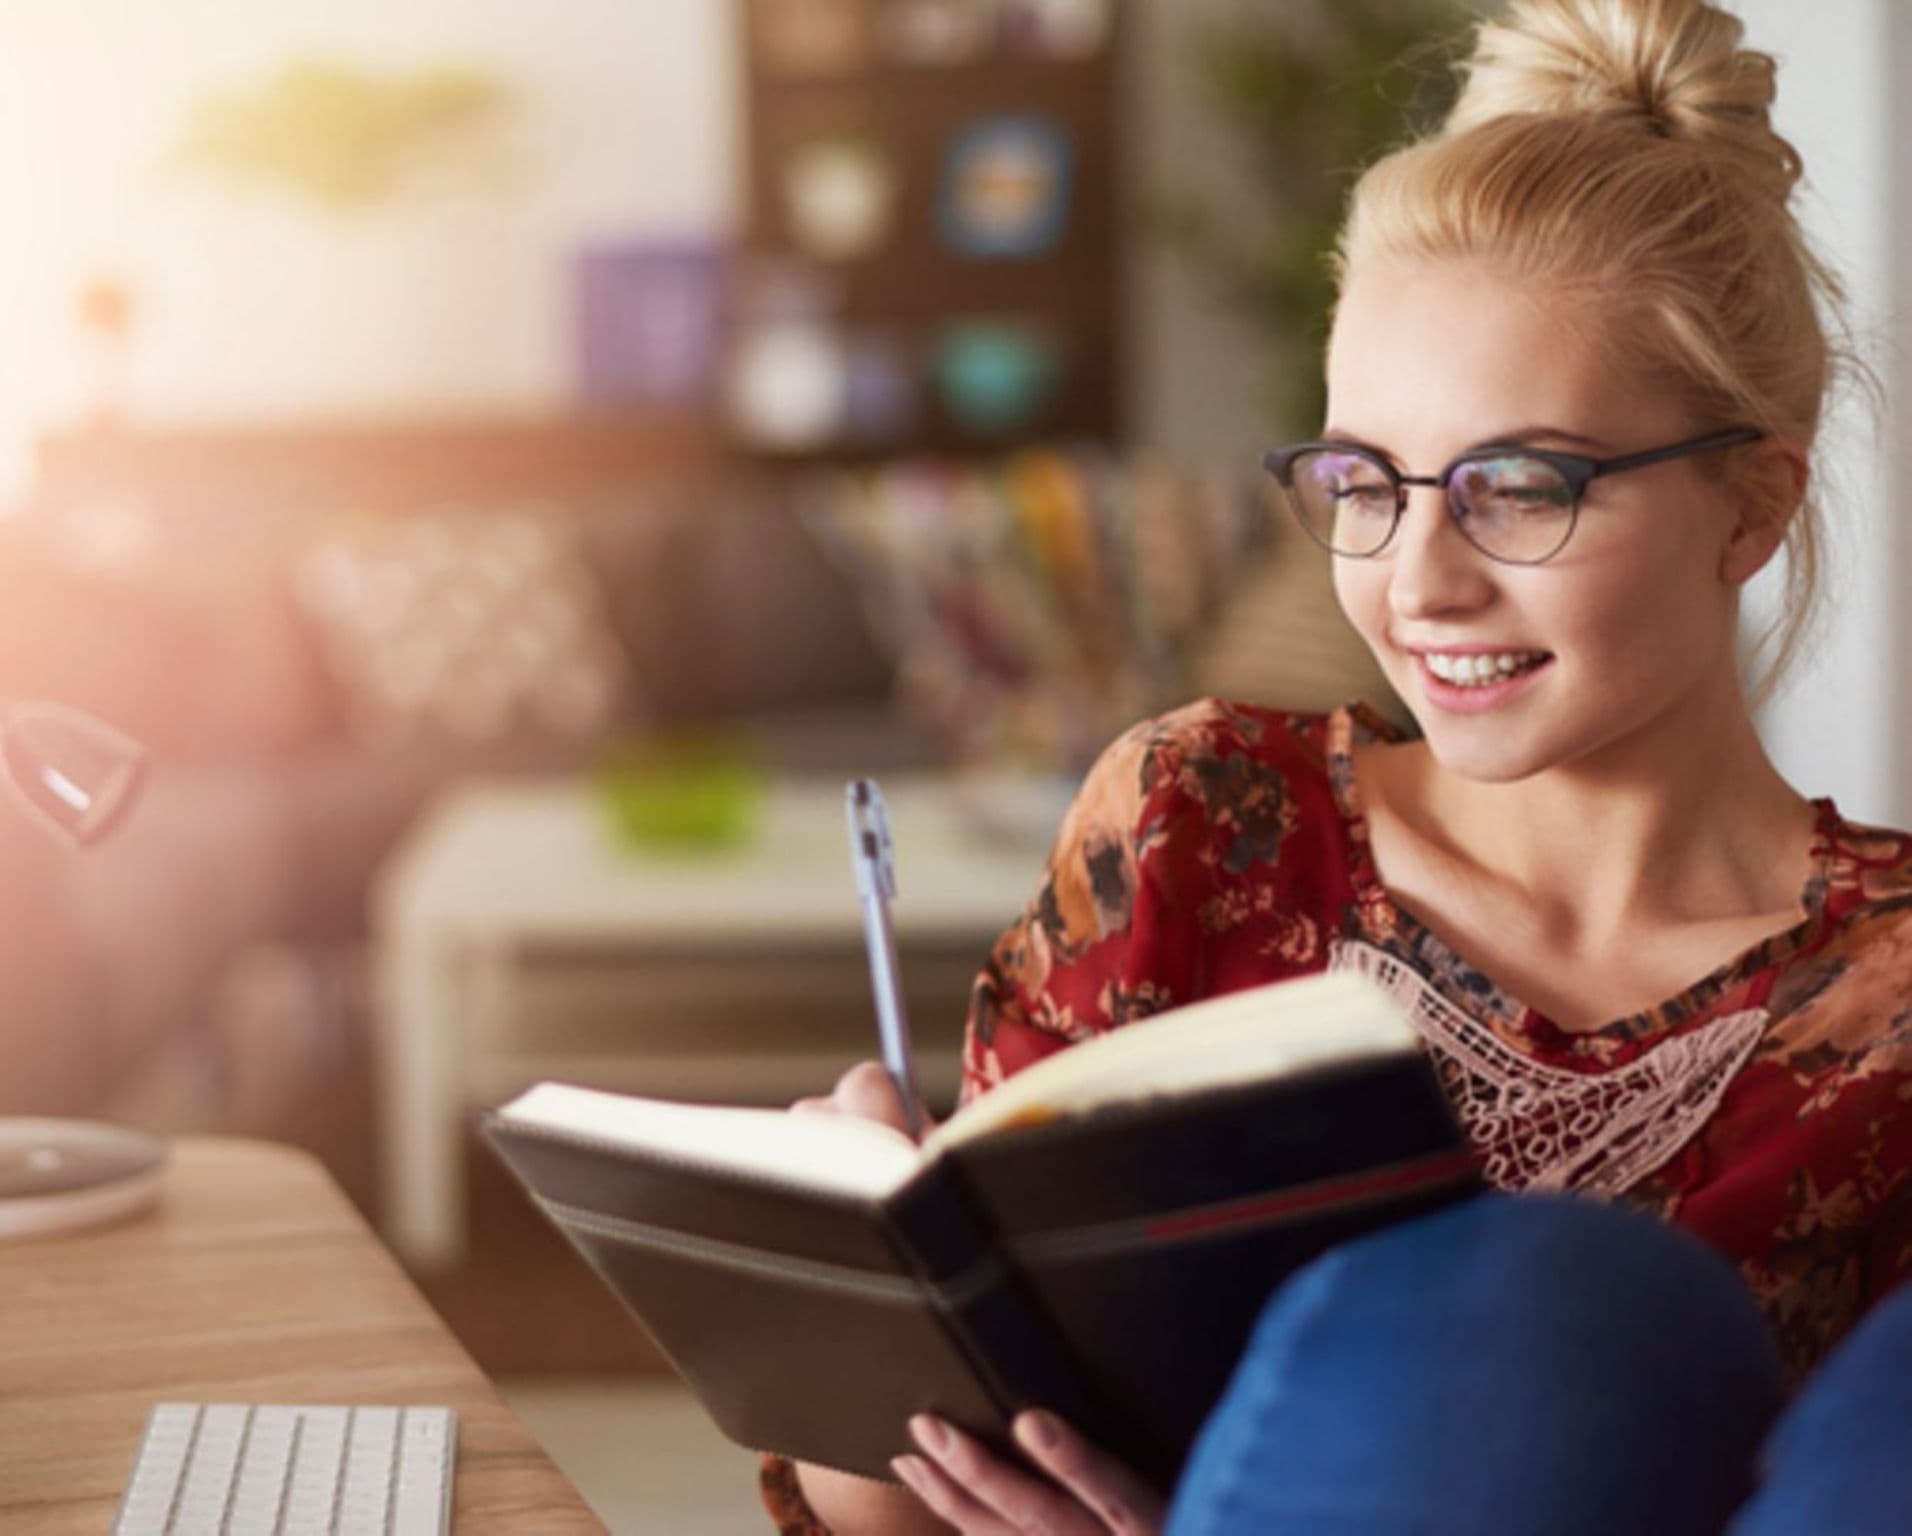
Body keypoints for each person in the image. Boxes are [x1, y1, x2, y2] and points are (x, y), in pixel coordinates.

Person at [762, 0, 1912, 1529]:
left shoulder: (1892, 1002)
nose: (1417, 583)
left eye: (1517, 487)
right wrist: (846, 1286)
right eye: (1363, 481)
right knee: (1544, 1310)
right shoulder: (1202, 826)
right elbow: (910, 1502)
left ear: (1752, 508)